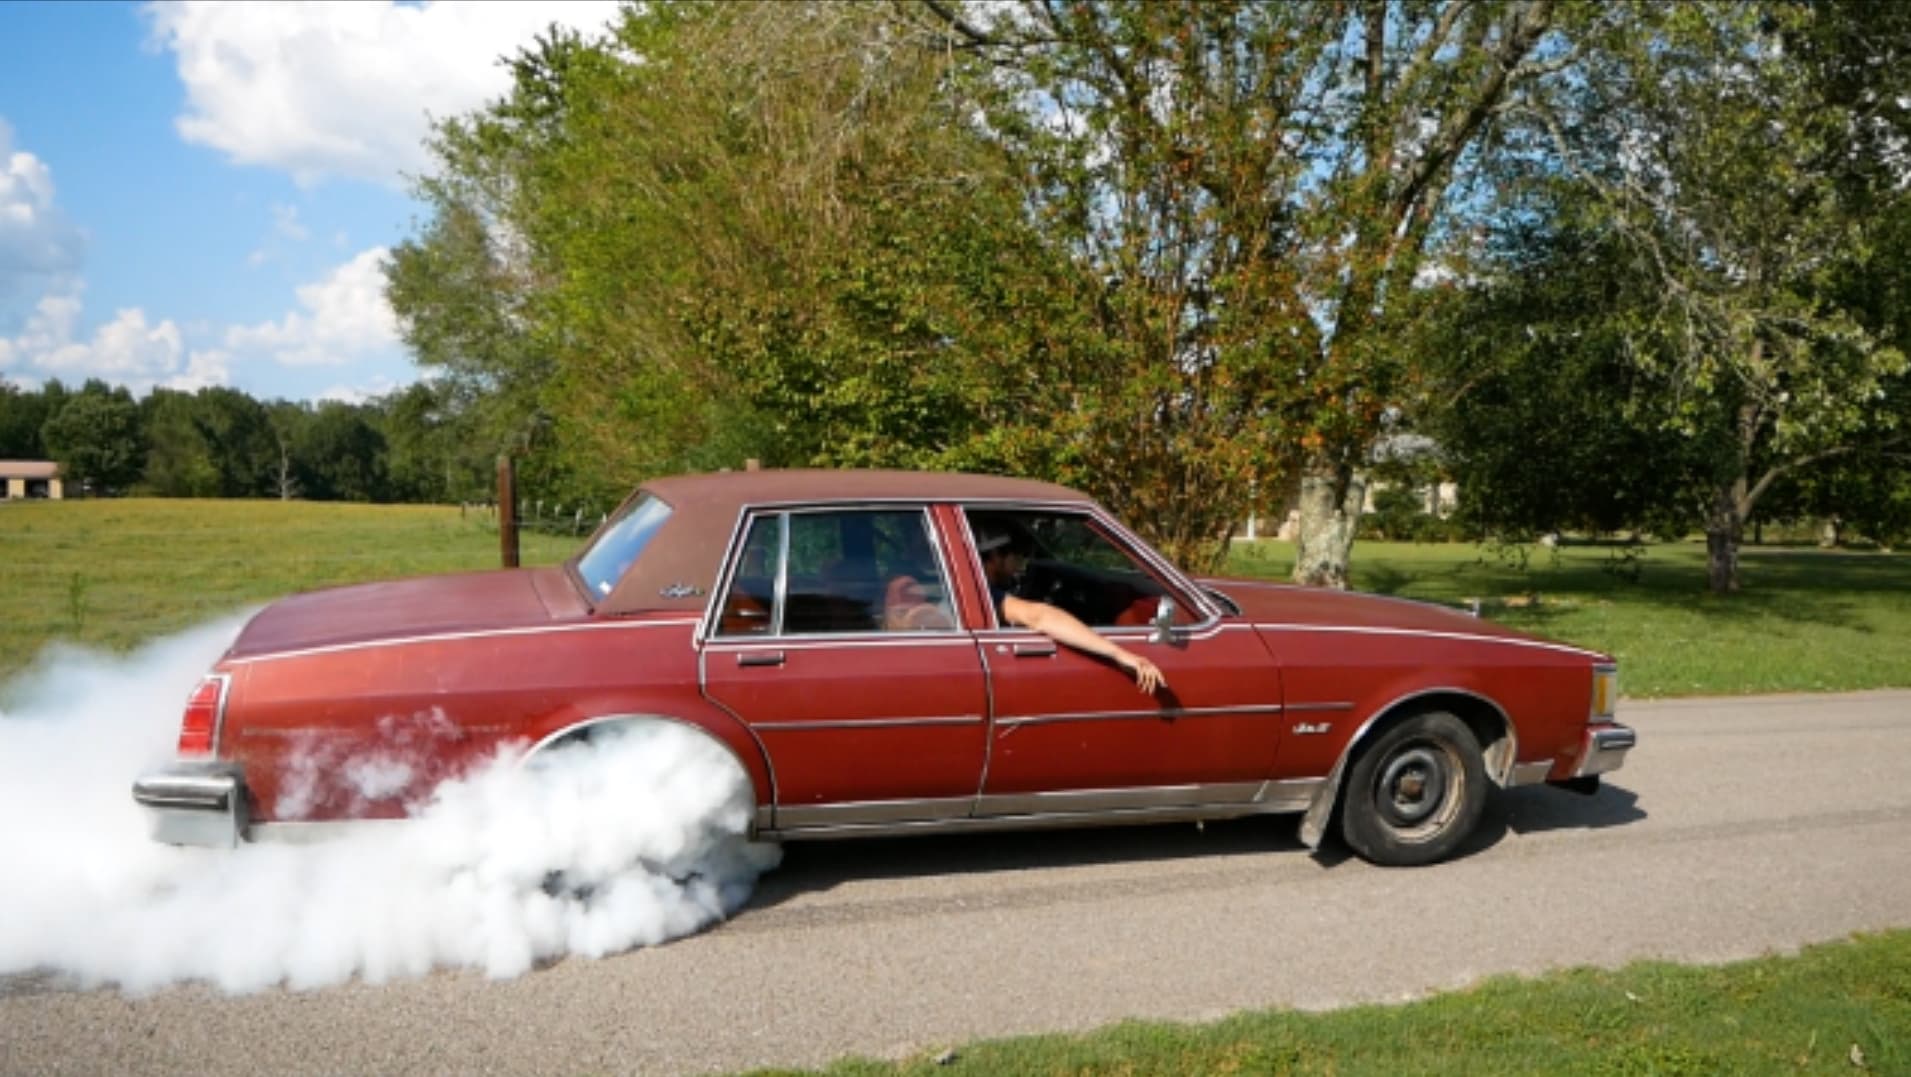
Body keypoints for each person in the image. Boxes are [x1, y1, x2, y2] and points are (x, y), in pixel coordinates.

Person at [975, 526, 1167, 695]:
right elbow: (1038, 617)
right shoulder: (986, 595)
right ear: (995, 557)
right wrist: (1118, 653)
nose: (1020, 562)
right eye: (1016, 553)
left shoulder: (970, 591)